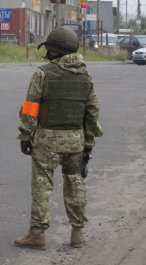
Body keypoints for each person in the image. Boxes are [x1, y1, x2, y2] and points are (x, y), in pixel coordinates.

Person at [14, 27, 103, 250]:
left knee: (42, 185)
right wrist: (88, 144)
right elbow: (92, 113)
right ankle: (77, 233)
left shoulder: (43, 74)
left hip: (47, 141)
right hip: (75, 141)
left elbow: (31, 109)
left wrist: (26, 135)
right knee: (75, 183)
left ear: (53, 51)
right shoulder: (85, 77)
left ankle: (37, 234)